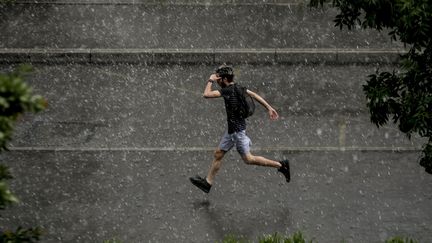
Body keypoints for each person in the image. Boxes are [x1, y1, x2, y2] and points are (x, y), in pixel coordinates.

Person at [189, 65, 290, 193]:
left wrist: (210, 80)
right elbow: (255, 95)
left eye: (219, 79)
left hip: (237, 132)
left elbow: (206, 94)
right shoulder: (239, 88)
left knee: (249, 159)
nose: (218, 81)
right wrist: (269, 107)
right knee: (218, 154)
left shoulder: (227, 90)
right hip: (232, 130)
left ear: (224, 79)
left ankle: (281, 165)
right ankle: (207, 183)